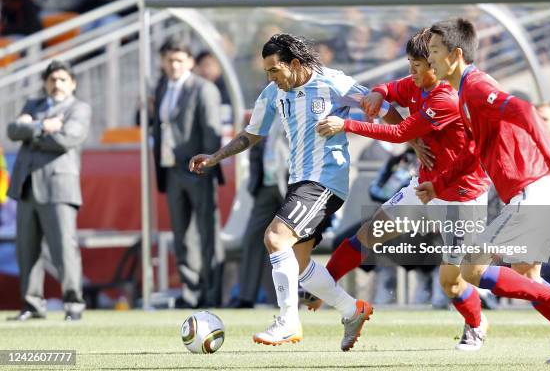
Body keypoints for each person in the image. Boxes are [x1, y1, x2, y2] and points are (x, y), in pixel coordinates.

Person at [190, 33, 397, 350]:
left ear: (295, 63)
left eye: (275, 70)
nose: (271, 77)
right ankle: (351, 309)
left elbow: (380, 107)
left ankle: (288, 321)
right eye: (267, 72)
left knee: (275, 238)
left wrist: (414, 141)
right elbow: (251, 135)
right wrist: (215, 157)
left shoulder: (333, 83)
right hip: (300, 181)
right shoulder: (274, 93)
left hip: (326, 179)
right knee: (298, 264)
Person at [416, 18, 550, 364]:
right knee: (529, 279)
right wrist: (439, 184)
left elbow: (523, 108)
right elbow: (473, 153)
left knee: (472, 267)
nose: (431, 60)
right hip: (531, 190)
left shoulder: (475, 86)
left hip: (530, 189)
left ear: (456, 54)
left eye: (436, 52)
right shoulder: (463, 94)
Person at [315, 28, 491, 351]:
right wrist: (379, 94)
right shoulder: (414, 83)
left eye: (418, 64)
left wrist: (347, 124)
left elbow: (398, 133)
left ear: (435, 64)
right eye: (409, 63)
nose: (412, 71)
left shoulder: (445, 97)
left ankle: (477, 324)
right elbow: (388, 88)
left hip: (461, 195)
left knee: (453, 281)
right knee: (368, 234)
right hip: (423, 188)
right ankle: (321, 286)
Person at [6, 60, 92, 321]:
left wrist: (30, 128)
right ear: (45, 83)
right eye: (52, 80)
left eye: (62, 79)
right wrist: (43, 126)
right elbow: (12, 131)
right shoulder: (34, 105)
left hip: (59, 187)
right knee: (27, 250)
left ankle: (73, 305)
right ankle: (32, 304)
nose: (57, 84)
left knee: (64, 249)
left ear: (73, 83)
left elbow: (67, 138)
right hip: (27, 185)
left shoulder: (79, 107)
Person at [151, 36, 224, 308]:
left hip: (197, 170)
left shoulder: (203, 89)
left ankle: (211, 293)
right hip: (171, 170)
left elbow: (211, 131)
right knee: (182, 235)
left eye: (179, 60)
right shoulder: (161, 87)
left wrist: (208, 165)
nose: (174, 65)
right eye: (169, 60)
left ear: (190, 62)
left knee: (207, 233)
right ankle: (191, 291)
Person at [229, 119, 284, 309]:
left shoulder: (298, 106)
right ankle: (246, 296)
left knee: (291, 241)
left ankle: (293, 297)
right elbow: (253, 145)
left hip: (291, 186)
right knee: (252, 237)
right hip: (266, 186)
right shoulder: (266, 111)